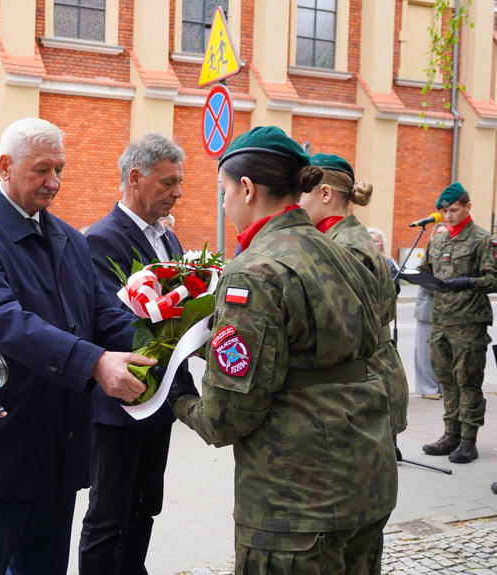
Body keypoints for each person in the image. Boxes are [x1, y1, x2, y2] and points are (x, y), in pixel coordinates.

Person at [169, 126, 397, 573]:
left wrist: (176, 396)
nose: (224, 203)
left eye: (224, 191)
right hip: (367, 481)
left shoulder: (254, 271)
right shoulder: (343, 252)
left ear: (247, 189)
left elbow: (227, 416)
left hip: (295, 500)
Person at [0, 117, 155, 575]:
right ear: (5, 166)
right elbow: (1, 320)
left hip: (59, 445)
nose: (53, 182)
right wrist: (94, 361)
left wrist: (166, 345)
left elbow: (104, 314)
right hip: (1, 443)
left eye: (59, 169)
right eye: (41, 170)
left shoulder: (69, 237)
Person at [80, 132, 193, 575]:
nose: (178, 192)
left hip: (159, 399)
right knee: (108, 514)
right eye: (168, 182)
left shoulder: (171, 240)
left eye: (178, 182)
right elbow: (109, 318)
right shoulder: (101, 240)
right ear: (135, 177)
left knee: (145, 507)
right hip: (120, 402)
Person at [299, 153, 409, 438]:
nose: (295, 202)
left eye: (301, 193)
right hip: (366, 374)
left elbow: (343, 329)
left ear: (324, 193)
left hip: (365, 378)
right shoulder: (342, 238)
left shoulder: (345, 246)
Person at [420, 182, 497, 464]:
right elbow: (428, 270)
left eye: (453, 210)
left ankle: (468, 440)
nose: (449, 215)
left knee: (468, 381)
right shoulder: (438, 240)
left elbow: (494, 279)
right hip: (440, 321)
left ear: (467, 207)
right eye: (444, 211)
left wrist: (469, 282)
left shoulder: (481, 239)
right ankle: (450, 433)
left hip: (469, 322)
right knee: (446, 381)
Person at [414, 222, 448, 399]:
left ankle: (443, 387)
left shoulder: (453, 255)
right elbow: (421, 276)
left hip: (448, 309)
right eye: (439, 233)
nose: (442, 236)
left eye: (445, 233)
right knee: (425, 351)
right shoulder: (429, 254)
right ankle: (427, 389)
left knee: (443, 351)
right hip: (428, 307)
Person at [368, 227, 401, 294]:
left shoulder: (389, 264)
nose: (372, 243)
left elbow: (395, 289)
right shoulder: (356, 261)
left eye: (376, 241)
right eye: (369, 240)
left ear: (382, 245)